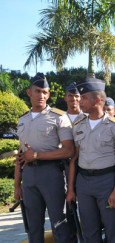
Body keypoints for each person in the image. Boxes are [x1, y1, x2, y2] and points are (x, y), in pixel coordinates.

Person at [14, 73, 77, 242]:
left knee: (60, 224)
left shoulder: (58, 117)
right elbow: (21, 155)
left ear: (48, 95)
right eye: (37, 91)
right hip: (28, 177)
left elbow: (69, 151)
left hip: (52, 175)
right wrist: (17, 185)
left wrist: (36, 155)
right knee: (33, 227)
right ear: (29, 92)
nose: (41, 95)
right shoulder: (22, 120)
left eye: (44, 92)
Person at [65, 77, 115, 242]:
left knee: (113, 229)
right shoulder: (79, 124)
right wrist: (71, 188)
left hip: (107, 182)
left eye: (84, 98)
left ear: (98, 100)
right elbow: (75, 158)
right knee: (89, 231)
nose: (80, 101)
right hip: (84, 183)